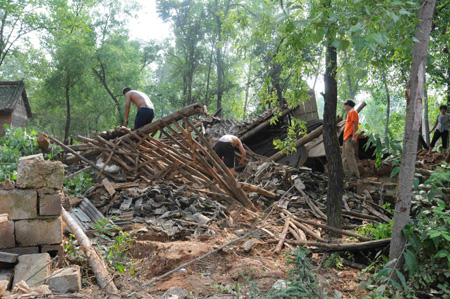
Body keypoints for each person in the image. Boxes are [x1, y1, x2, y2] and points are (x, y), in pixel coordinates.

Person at [342, 99, 360, 180]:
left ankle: (355, 175)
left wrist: (354, 136)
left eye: (345, 106)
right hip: (346, 138)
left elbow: (355, 124)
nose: (345, 108)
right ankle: (346, 175)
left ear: (348, 105)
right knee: (344, 157)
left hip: (349, 137)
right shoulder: (349, 113)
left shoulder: (353, 112)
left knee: (350, 156)